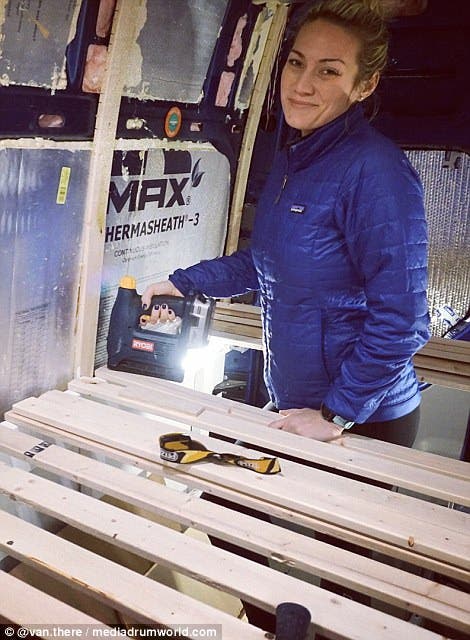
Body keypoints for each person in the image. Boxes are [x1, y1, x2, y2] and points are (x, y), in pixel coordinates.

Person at [142, 0, 430, 449]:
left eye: (328, 71)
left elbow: (403, 319)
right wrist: (184, 284)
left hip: (359, 420)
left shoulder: (377, 173)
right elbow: (266, 261)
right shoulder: (293, 159)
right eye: (296, 63)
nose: (302, 85)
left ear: (365, 85)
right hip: (299, 407)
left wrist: (337, 413)